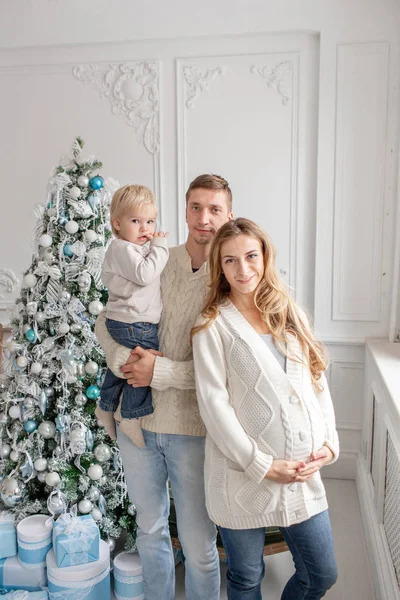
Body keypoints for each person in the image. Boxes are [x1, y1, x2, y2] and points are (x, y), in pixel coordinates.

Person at [95, 174, 234, 600]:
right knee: (150, 531)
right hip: (136, 424)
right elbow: (107, 319)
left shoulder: (232, 274)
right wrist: (120, 359)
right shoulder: (154, 256)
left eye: (214, 209)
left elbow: (227, 371)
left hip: (191, 429)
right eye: (196, 207)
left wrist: (161, 373)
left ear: (229, 215)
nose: (203, 219)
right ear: (186, 210)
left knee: (198, 545)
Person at [191, 218, 339, 600]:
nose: (243, 269)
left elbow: (317, 384)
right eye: (230, 261)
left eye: (251, 256)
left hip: (302, 474)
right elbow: (213, 406)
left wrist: (327, 443)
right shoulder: (211, 326)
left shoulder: (289, 314)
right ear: (219, 268)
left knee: (321, 573)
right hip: (241, 480)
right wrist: (261, 464)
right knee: (246, 576)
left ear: (264, 256)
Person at [95, 184, 168, 447]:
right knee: (145, 362)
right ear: (117, 223)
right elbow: (146, 274)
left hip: (130, 322)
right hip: (133, 324)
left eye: (149, 221)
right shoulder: (121, 248)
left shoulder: (132, 250)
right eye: (135, 221)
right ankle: (130, 416)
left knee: (122, 368)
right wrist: (159, 246)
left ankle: (105, 405)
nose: (145, 228)